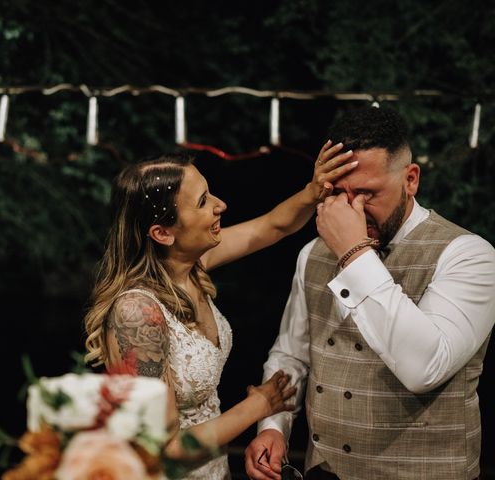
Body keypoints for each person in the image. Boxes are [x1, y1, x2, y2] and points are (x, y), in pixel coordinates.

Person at [245, 106, 495, 480]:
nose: (353, 210)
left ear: (410, 180)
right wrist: (272, 427)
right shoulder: (312, 253)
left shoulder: (469, 255)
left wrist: (353, 253)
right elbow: (291, 355)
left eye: (367, 193)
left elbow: (424, 369)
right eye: (340, 194)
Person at [84, 145, 357, 480]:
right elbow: (164, 450)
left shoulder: (191, 266)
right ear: (162, 233)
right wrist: (257, 408)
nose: (220, 205)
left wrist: (314, 191)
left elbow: (274, 226)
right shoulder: (137, 314)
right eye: (202, 202)